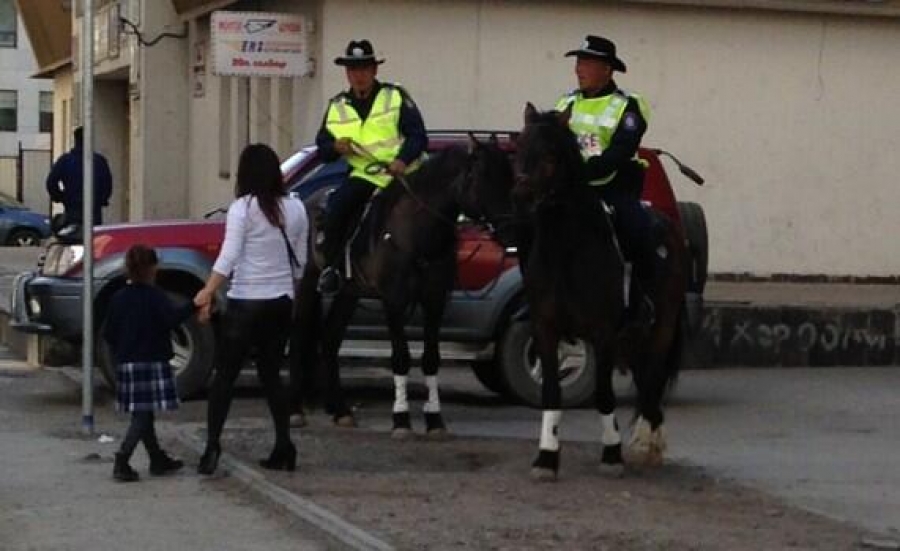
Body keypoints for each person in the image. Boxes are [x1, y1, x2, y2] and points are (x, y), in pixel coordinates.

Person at [193, 143, 308, 475]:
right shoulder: (297, 209)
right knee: (272, 376)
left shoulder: (242, 208)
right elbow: (300, 263)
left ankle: (212, 446)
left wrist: (208, 291)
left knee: (225, 377)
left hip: (246, 301)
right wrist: (290, 293)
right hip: (281, 302)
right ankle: (284, 445)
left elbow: (229, 256)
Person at [557, 35, 660, 324]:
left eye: (586, 63)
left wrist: (583, 171)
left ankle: (643, 303)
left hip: (613, 187)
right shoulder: (565, 102)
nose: (579, 69)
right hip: (570, 191)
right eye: (578, 63)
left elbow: (622, 148)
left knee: (638, 229)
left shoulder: (629, 105)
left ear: (607, 69)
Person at [315, 38, 428, 295]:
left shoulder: (395, 96)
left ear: (374, 70)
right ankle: (332, 269)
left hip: (403, 175)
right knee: (336, 209)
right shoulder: (337, 106)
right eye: (353, 70)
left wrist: (402, 160)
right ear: (347, 73)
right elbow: (322, 146)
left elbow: (418, 136)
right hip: (365, 175)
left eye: (364, 69)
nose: (359, 75)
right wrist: (335, 148)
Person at [103, 244, 195, 482]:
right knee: (142, 416)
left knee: (143, 413)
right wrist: (194, 305)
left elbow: (109, 333)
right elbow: (171, 319)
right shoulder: (156, 297)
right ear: (153, 268)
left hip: (126, 362)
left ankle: (156, 457)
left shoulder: (118, 298)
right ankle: (123, 458)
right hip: (152, 360)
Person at [45, 126, 113, 227]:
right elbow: (107, 184)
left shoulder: (65, 160)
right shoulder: (99, 161)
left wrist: (61, 197)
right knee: (93, 238)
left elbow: (51, 182)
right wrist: (102, 199)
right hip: (93, 209)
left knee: (73, 236)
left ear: (75, 140)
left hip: (72, 207)